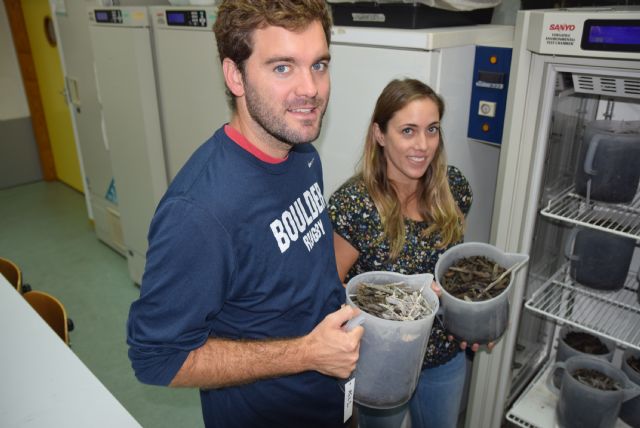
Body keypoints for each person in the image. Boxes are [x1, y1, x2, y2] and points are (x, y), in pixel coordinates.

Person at [126, 1, 363, 427]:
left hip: (332, 398)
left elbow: (297, 270)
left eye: (319, 64)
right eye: (282, 67)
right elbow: (156, 358)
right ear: (235, 75)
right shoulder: (199, 212)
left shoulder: (302, 152)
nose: (310, 89)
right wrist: (308, 353)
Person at [328, 78, 475, 428]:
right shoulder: (355, 204)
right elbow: (331, 288)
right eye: (407, 131)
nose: (423, 145)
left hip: (443, 355)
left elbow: (451, 270)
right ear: (380, 134)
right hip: (382, 362)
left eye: (432, 129)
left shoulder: (454, 189)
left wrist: (469, 315)